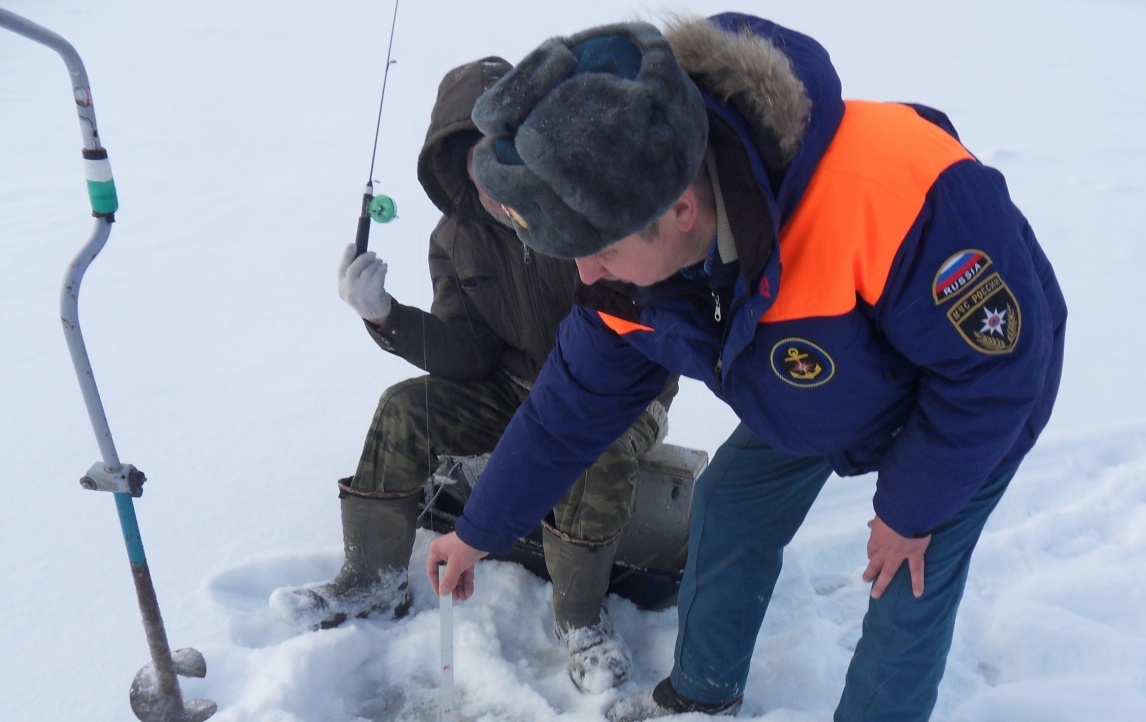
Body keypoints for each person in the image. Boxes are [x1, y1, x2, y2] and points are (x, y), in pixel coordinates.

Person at [425, 14, 1067, 722]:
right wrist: (476, 531)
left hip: (971, 399)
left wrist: (910, 511)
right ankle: (699, 696)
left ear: (680, 209)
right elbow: (564, 414)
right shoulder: (629, 273)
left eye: (599, 251)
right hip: (816, 381)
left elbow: (994, 372)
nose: (585, 272)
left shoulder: (896, 197)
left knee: (904, 583)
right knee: (729, 503)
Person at [268, 56, 675, 694]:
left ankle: (581, 621)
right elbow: (470, 353)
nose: (487, 169)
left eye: (501, 146)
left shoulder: (582, 203)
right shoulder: (455, 239)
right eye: (470, 151)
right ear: (452, 159)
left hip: (621, 391)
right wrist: (388, 318)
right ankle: (373, 580)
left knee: (596, 450)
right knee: (404, 406)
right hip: (514, 388)